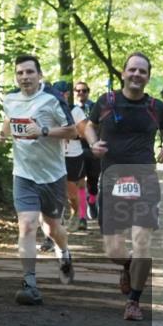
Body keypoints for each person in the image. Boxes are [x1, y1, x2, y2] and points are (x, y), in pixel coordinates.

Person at [83, 52, 163, 321]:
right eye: (132, 70)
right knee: (114, 251)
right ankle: (129, 266)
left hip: (145, 180)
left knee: (142, 241)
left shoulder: (156, 107)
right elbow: (89, 125)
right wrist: (93, 143)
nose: (136, 75)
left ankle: (134, 301)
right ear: (123, 73)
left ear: (147, 77)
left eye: (142, 71)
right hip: (111, 180)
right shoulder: (106, 102)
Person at [0, 55, 79, 305]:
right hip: (23, 175)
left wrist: (43, 131)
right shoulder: (10, 99)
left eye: (30, 72)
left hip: (53, 176)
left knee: (53, 229)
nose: (25, 77)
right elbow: (9, 121)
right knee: (28, 225)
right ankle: (29, 283)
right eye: (20, 73)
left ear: (39, 75)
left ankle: (63, 252)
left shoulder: (52, 99)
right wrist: (2, 134)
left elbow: (73, 131)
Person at [54, 81, 89, 232]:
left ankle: (77, 213)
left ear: (67, 94)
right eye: (56, 93)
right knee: (54, 189)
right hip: (53, 154)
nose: (59, 96)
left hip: (72, 155)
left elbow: (85, 133)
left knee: (71, 193)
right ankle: (57, 219)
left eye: (63, 93)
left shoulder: (75, 111)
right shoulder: (48, 109)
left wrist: (70, 133)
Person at [73, 81, 101, 223]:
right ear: (74, 92)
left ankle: (92, 200)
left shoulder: (95, 107)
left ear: (88, 92)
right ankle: (82, 216)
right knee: (79, 183)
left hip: (92, 149)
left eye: (84, 90)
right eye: (78, 90)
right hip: (76, 149)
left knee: (93, 180)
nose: (81, 93)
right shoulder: (69, 109)